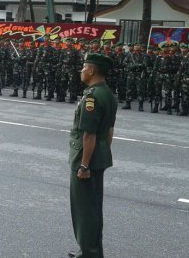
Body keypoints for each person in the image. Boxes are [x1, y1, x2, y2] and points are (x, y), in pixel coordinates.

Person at [67, 53, 117, 258]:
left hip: (86, 160)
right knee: (93, 208)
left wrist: (84, 165)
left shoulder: (92, 97)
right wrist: (100, 154)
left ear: (92, 70)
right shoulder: (107, 93)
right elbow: (109, 132)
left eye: (84, 67)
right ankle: (90, 251)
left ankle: (88, 253)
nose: (82, 70)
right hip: (99, 156)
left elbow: (89, 134)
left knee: (84, 211)